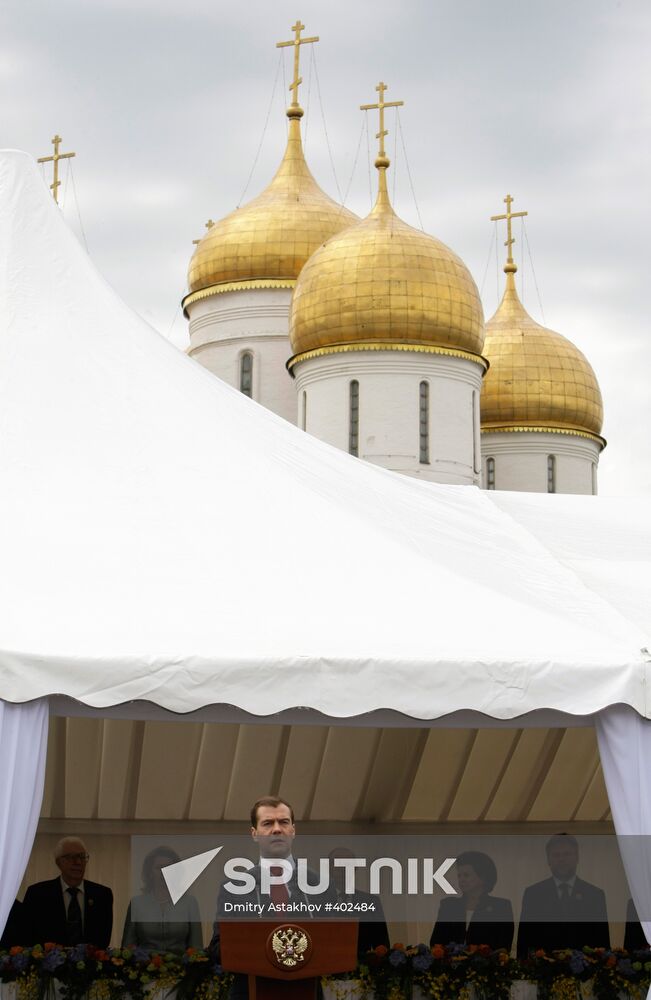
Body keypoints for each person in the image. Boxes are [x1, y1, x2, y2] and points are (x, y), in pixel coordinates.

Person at [211, 795, 336, 999]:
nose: (277, 829)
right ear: (254, 833)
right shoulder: (234, 887)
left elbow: (335, 943)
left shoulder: (320, 885)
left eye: (284, 822)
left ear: (293, 830)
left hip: (307, 991)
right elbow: (218, 948)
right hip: (251, 991)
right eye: (268, 823)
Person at [516, 834, 610, 957]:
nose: (561, 859)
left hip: (584, 971)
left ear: (577, 858)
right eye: (556, 855)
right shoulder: (534, 894)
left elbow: (602, 942)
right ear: (548, 860)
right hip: (544, 971)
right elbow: (524, 940)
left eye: (567, 854)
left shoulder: (595, 895)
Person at [22, 837, 113, 948]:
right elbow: (27, 938)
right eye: (71, 857)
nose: (78, 862)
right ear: (58, 862)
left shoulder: (102, 895)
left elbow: (103, 940)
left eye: (82, 857)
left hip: (91, 963)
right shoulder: (37, 894)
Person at [122, 845, 203, 952]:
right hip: (143, 966)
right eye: (159, 868)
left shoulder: (190, 903)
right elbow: (127, 948)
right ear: (150, 872)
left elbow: (196, 948)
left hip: (181, 967)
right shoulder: (137, 904)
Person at [430, 851, 513, 952]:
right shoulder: (448, 906)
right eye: (459, 875)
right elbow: (436, 943)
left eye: (466, 875)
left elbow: (503, 947)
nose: (461, 880)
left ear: (483, 877)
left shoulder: (501, 907)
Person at [328, 847, 390, 958]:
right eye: (338, 863)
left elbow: (382, 943)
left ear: (355, 868)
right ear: (328, 868)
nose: (343, 868)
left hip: (361, 969)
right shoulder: (314, 901)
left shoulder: (371, 902)